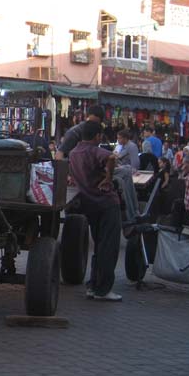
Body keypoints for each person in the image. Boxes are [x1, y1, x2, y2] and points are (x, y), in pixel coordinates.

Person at [68, 121, 122, 301]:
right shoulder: (93, 150)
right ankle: (103, 289)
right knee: (108, 247)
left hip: (88, 203)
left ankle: (93, 285)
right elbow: (112, 158)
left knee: (99, 245)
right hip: (106, 203)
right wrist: (108, 178)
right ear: (98, 136)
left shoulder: (74, 153)